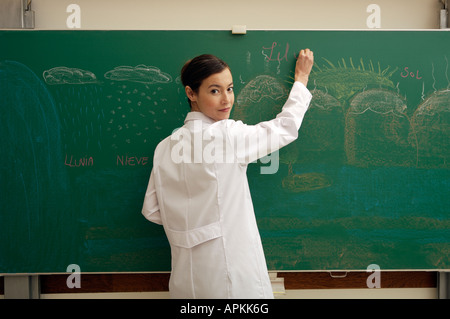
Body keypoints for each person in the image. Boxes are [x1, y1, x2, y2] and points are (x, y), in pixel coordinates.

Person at [142, 49, 314, 298]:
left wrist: (192, 228)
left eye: (230, 89)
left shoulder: (164, 147)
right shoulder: (228, 136)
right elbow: (285, 128)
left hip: (185, 283)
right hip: (233, 280)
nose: (226, 100)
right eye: (214, 90)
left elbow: (152, 210)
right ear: (191, 93)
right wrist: (301, 80)